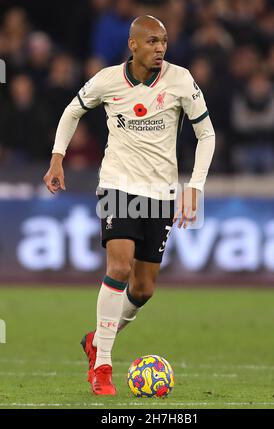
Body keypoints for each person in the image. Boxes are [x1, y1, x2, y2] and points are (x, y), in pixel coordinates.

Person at [43, 15, 215, 396]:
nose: (160, 49)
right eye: (152, 41)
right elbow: (73, 110)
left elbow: (206, 134)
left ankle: (96, 339)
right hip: (118, 187)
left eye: (164, 42)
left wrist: (195, 187)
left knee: (143, 289)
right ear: (133, 45)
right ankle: (102, 364)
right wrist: (57, 157)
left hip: (161, 194)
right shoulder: (107, 80)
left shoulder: (180, 80)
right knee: (119, 266)